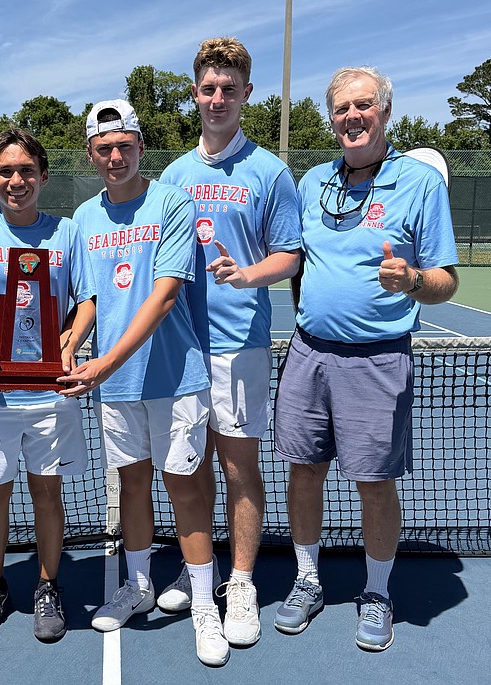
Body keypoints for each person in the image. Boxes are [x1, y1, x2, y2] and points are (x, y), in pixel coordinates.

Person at [272, 66, 459, 651]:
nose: (352, 117)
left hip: (378, 361)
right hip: (308, 354)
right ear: (332, 119)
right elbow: (299, 261)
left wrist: (410, 281)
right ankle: (307, 580)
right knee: (304, 472)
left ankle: (377, 591)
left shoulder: (420, 183)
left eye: (363, 106)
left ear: (384, 112)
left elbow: (446, 281)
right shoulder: (313, 182)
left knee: (374, 481)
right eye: (341, 109)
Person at [58, 100, 229, 666]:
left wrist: (102, 363)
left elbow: (163, 296)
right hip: (117, 386)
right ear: (91, 153)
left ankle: (205, 606)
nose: (114, 157)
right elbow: (86, 300)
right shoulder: (83, 219)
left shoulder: (173, 202)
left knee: (183, 486)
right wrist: (68, 345)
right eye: (103, 149)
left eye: (123, 146)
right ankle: (137, 585)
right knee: (131, 487)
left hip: (176, 378)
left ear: (140, 147)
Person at [158, 36, 301, 647]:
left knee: (239, 467)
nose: (218, 98)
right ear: (196, 94)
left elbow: (291, 256)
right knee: (187, 471)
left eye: (229, 88)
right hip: (181, 347)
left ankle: (240, 583)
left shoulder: (269, 171)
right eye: (208, 88)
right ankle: (202, 573)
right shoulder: (173, 174)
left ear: (247, 95)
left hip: (240, 345)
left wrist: (248, 274)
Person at [0, 128, 96, 643]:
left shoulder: (67, 232)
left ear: (44, 176)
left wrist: (69, 346)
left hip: (50, 392)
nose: (17, 180)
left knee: (47, 493)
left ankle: (48, 586)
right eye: (6, 171)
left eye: (27, 170)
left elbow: (86, 299)